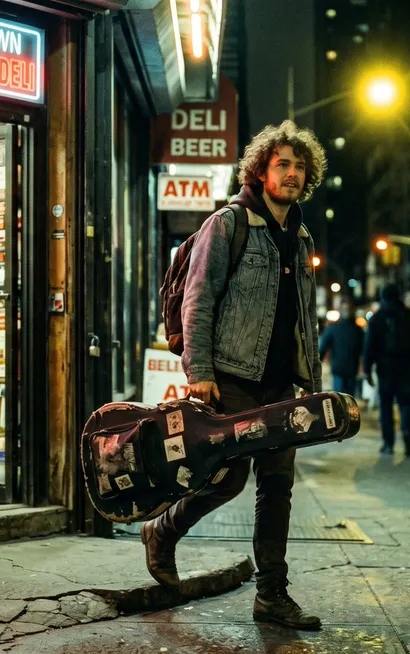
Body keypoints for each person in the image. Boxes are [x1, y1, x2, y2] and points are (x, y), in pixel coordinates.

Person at [142, 120, 325, 630]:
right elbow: (198, 301)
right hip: (231, 375)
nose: (291, 173)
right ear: (260, 170)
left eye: (299, 166)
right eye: (281, 164)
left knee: (278, 483)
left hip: (280, 383)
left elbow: (302, 314)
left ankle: (272, 595)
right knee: (228, 476)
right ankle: (163, 530)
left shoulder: (299, 234)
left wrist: (311, 378)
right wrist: (198, 371)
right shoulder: (229, 224)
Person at [362, 284, 410, 456]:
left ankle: (388, 443)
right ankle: (408, 437)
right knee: (406, 404)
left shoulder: (377, 319)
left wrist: (367, 370)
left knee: (385, 406)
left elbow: (369, 347)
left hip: (385, 368)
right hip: (407, 367)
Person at [318, 301, 364, 397]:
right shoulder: (357, 330)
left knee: (339, 400)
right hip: (350, 370)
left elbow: (322, 349)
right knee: (349, 401)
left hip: (340, 370)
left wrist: (316, 368)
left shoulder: (333, 328)